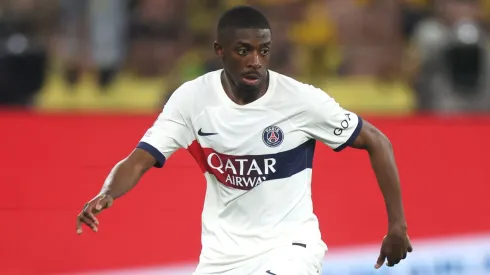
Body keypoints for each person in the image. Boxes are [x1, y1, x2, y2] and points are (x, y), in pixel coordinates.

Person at [76, 6, 412, 275]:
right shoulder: (193, 99)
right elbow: (141, 158)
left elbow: (377, 140)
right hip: (222, 258)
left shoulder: (300, 101)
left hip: (291, 250)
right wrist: (107, 193)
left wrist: (397, 225)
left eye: (263, 51)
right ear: (219, 51)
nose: (256, 61)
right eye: (243, 51)